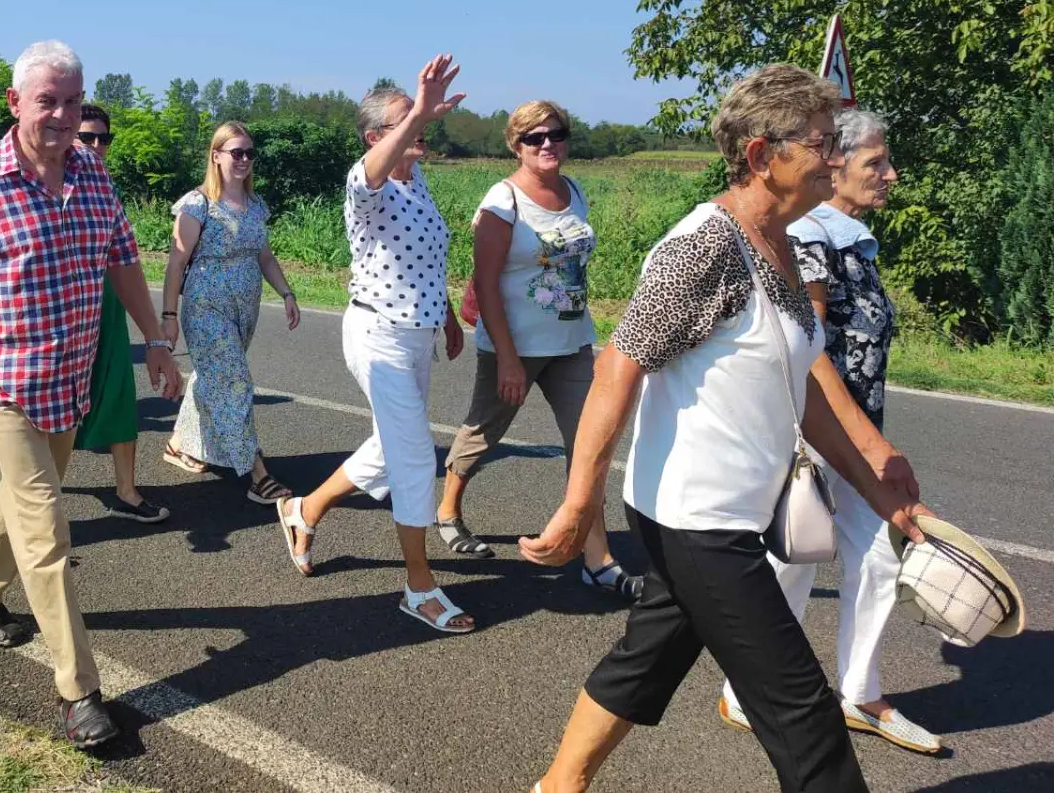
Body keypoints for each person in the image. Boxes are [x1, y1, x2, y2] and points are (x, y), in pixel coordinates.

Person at [519, 65, 931, 793]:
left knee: (647, 660)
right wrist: (579, 501)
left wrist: (875, 484)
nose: (835, 159)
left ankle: (557, 785)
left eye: (836, 143)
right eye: (821, 143)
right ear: (761, 157)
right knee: (804, 713)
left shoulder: (784, 244)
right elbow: (618, 365)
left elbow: (798, 386)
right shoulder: (703, 247)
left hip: (733, 510)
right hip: (697, 520)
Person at [0, 40, 183, 749]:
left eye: (72, 101)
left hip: (71, 378)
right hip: (2, 383)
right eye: (47, 101)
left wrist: (155, 338)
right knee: (45, 530)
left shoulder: (93, 175)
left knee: (22, 508)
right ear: (14, 104)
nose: (62, 115)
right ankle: (78, 689)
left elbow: (122, 257)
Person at [718, 108, 939, 753]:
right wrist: (868, 443)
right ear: (834, 164)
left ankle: (860, 695)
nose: (890, 175)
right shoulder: (812, 236)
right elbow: (807, 349)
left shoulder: (849, 236)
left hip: (854, 432)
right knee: (793, 561)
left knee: (875, 557)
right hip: (819, 436)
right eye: (876, 162)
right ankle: (746, 690)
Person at [277, 56, 474, 634]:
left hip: (418, 335)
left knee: (392, 448)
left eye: (420, 121)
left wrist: (447, 317)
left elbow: (427, 259)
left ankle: (304, 508)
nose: (420, 128)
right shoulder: (367, 185)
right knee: (414, 456)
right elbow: (370, 172)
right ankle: (419, 588)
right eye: (404, 122)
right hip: (377, 334)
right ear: (375, 137)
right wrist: (419, 111)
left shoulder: (419, 183)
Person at [436, 99, 641, 600]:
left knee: (588, 446)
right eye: (534, 138)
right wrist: (507, 357)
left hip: (572, 342)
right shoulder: (502, 201)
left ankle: (598, 559)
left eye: (556, 134)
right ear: (516, 145)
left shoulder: (574, 191)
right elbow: (485, 284)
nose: (547, 144)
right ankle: (447, 509)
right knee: (485, 432)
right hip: (515, 345)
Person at [161, 121, 300, 504]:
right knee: (235, 381)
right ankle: (255, 471)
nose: (243, 160)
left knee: (214, 376)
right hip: (206, 307)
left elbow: (265, 256)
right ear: (216, 155)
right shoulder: (197, 203)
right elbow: (176, 264)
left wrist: (286, 292)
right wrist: (169, 316)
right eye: (235, 152)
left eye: (249, 153)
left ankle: (181, 445)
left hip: (245, 306)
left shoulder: (255, 206)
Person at [72, 104, 168, 523]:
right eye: (86, 136)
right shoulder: (43, 180)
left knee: (118, 393)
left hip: (106, 307)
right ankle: (17, 506)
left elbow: (126, 259)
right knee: (37, 410)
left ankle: (126, 491)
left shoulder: (106, 186)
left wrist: (155, 335)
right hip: (58, 312)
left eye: (103, 138)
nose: (96, 145)